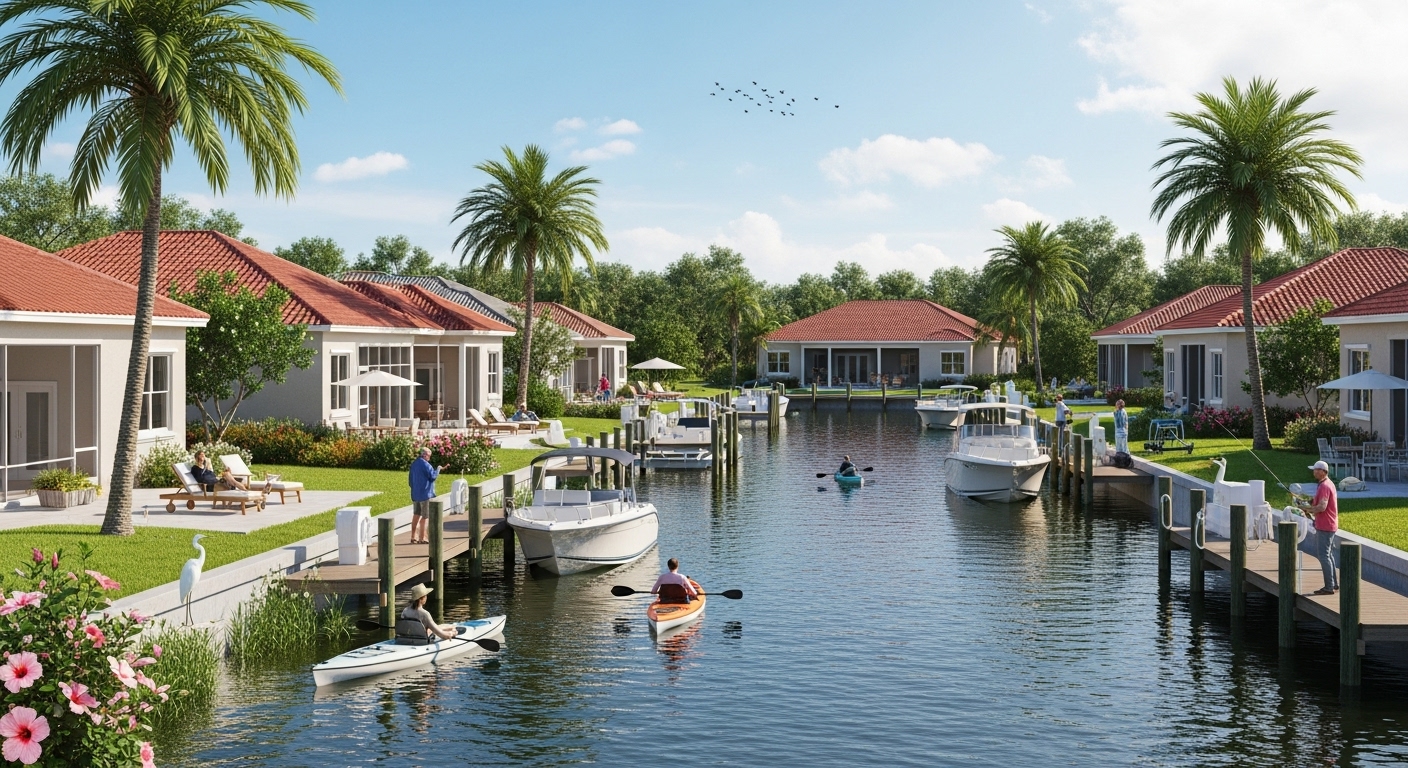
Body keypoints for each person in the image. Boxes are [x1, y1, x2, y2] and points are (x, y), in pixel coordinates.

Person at [1296, 460, 1339, 595]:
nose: (1314, 472)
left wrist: (1307, 508)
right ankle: (1334, 584)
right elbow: (1319, 502)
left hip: (1325, 525)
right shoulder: (1326, 484)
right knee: (1329, 554)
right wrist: (1308, 503)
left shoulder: (1324, 486)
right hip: (1329, 524)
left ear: (1323, 472)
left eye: (1316, 470)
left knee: (1323, 555)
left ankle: (1328, 587)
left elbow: (1322, 507)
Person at [408, 448, 446, 545]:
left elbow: (410, 481)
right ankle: (422, 537)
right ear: (424, 455)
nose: (429, 457)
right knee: (425, 516)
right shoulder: (426, 464)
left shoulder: (414, 464)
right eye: (429, 455)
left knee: (416, 515)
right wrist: (438, 469)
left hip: (415, 494)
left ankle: (413, 537)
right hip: (425, 494)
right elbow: (433, 476)